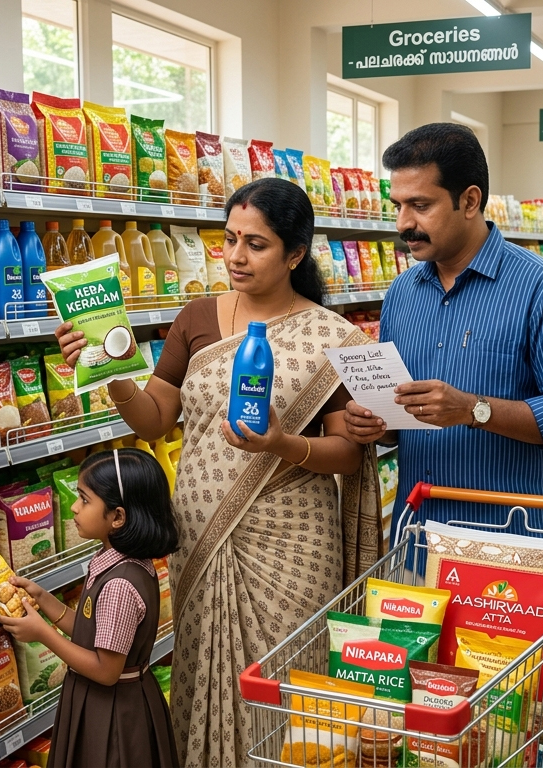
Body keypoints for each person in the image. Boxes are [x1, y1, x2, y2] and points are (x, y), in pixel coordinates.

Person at [55, 177, 381, 766]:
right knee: (206, 671)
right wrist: (111, 373)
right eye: (228, 239)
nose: (234, 256)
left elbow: (349, 452)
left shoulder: (331, 337)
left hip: (294, 542)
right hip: (202, 532)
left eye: (255, 244)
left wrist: (282, 442)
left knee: (284, 681)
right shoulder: (197, 318)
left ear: (295, 254)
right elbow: (154, 420)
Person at [343, 122, 543, 544]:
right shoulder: (403, 292)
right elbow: (401, 416)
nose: (404, 223)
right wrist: (374, 423)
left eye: (420, 205)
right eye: (398, 206)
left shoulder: (542, 287)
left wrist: (473, 409)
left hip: (504, 542)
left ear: (470, 200)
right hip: (417, 535)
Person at [0, 449, 180, 767]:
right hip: (111, 699)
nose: (73, 507)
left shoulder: (119, 586)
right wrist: (44, 600)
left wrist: (42, 634)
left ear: (118, 517)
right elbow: (94, 631)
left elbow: (106, 670)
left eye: (84, 499)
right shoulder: (117, 561)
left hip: (113, 711)